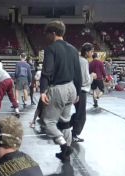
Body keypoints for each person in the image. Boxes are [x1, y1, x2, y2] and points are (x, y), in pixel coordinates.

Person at [40, 20, 81, 162]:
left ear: (53, 33)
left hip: (58, 89)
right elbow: (78, 74)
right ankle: (66, 154)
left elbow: (47, 72)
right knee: (65, 122)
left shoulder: (51, 49)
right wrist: (78, 93)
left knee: (47, 122)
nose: (46, 37)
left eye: (47, 34)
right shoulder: (73, 49)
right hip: (72, 88)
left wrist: (43, 91)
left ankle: (64, 146)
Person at [70, 43, 96, 143]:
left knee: (78, 112)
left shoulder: (76, 59)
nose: (92, 53)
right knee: (81, 115)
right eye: (91, 51)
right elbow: (85, 80)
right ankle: (73, 133)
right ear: (86, 52)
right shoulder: (84, 61)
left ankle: (65, 125)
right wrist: (92, 76)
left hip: (74, 88)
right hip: (81, 90)